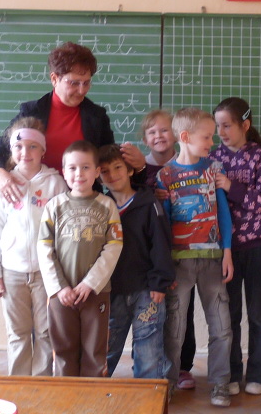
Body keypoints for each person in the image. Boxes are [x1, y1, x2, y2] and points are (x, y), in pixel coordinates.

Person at [0, 41, 146, 205]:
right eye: (74, 83)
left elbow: (109, 163)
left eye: (86, 83)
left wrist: (139, 167)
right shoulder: (32, 112)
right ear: (54, 78)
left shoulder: (97, 117)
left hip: (82, 203)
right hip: (36, 202)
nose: (82, 90)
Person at [156, 107, 234, 408]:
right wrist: (165, 265)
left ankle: (220, 384)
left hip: (213, 261)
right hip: (179, 264)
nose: (212, 142)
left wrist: (227, 252)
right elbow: (162, 225)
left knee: (222, 327)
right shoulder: (165, 175)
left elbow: (223, 213)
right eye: (207, 137)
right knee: (174, 330)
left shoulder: (213, 170)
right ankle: (168, 383)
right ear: (186, 137)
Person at [0, 117, 68, 376]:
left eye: (33, 146)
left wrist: (62, 273)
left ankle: (40, 384)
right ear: (11, 150)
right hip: (12, 272)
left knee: (45, 333)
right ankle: (18, 385)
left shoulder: (56, 184)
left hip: (46, 273)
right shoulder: (3, 187)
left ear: (43, 150)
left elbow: (64, 232)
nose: (25, 152)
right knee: (17, 333)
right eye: (18, 147)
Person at [37, 140, 123, 377]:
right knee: (63, 349)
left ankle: (92, 395)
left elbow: (114, 246)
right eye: (72, 168)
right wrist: (59, 287)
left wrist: (90, 283)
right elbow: (44, 248)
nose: (79, 174)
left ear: (97, 172)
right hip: (61, 294)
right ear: (64, 172)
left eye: (86, 167)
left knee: (95, 351)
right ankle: (66, 395)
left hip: (95, 292)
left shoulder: (107, 206)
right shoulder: (54, 206)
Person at [210, 97, 261, 396]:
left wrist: (230, 186)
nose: (221, 132)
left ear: (245, 125)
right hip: (226, 250)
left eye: (227, 125)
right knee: (230, 315)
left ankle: (259, 373)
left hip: (259, 247)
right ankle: (232, 373)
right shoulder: (212, 159)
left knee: (259, 314)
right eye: (217, 126)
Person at [99, 144, 175, 380]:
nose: (112, 175)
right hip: (112, 290)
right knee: (106, 348)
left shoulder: (149, 203)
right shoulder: (100, 206)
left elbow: (161, 244)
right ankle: (92, 392)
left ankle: (148, 395)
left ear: (130, 170)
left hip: (146, 290)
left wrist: (160, 282)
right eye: (105, 171)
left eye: (117, 168)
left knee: (148, 349)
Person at [142, 109, 197, 390]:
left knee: (182, 310)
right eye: (152, 132)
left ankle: (183, 366)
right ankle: (153, 364)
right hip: (150, 252)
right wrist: (151, 191)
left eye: (164, 130)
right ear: (145, 139)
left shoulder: (190, 164)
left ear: (176, 135)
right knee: (152, 310)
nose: (159, 136)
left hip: (183, 248)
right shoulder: (140, 169)